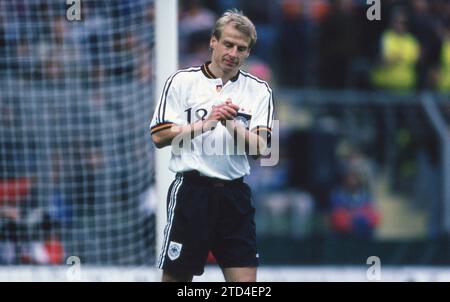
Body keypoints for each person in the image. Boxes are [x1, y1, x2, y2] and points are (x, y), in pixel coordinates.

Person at [150, 9, 274, 282]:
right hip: (192, 193)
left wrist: (230, 123)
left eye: (241, 48)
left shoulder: (259, 90)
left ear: (248, 53)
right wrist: (205, 124)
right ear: (213, 41)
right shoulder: (182, 82)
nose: (233, 52)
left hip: (234, 195)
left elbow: (262, 149)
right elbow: (159, 136)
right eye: (228, 44)